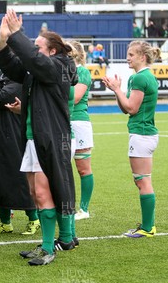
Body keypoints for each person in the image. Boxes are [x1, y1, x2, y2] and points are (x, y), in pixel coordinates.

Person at [0, 9, 77, 266]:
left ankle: (49, 246)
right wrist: (3, 37)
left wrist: (17, 34)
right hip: (33, 138)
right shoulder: (38, 69)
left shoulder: (58, 66)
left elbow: (32, 58)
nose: (34, 50)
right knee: (35, 191)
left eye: (39, 46)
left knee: (44, 193)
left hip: (51, 138)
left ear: (52, 51)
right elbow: (11, 64)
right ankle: (63, 239)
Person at [0, 40, 40, 235]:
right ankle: (5, 222)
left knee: (17, 176)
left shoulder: (20, 75)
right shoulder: (0, 74)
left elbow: (1, 98)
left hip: (12, 131)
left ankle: (33, 219)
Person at [102, 41, 160, 238]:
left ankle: (148, 227)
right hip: (145, 133)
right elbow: (126, 108)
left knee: (142, 181)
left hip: (142, 133)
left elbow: (131, 109)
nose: (128, 58)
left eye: (131, 54)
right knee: (142, 180)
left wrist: (117, 90)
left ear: (142, 57)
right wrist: (117, 91)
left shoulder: (139, 78)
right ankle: (147, 225)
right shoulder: (143, 77)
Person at [69, 41, 95, 221]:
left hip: (78, 123)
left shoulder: (82, 72)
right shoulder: (62, 71)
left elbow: (76, 98)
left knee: (83, 168)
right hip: (61, 121)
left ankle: (84, 209)